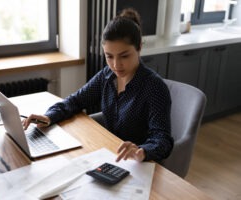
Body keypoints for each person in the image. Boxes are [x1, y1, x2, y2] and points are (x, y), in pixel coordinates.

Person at [23, 8, 173, 163]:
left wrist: (142, 151)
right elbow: (75, 101)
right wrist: (48, 116)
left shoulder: (154, 87)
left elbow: (162, 139)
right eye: (109, 56)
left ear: (139, 47)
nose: (116, 65)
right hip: (109, 155)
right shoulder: (106, 76)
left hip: (140, 164)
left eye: (124, 56)